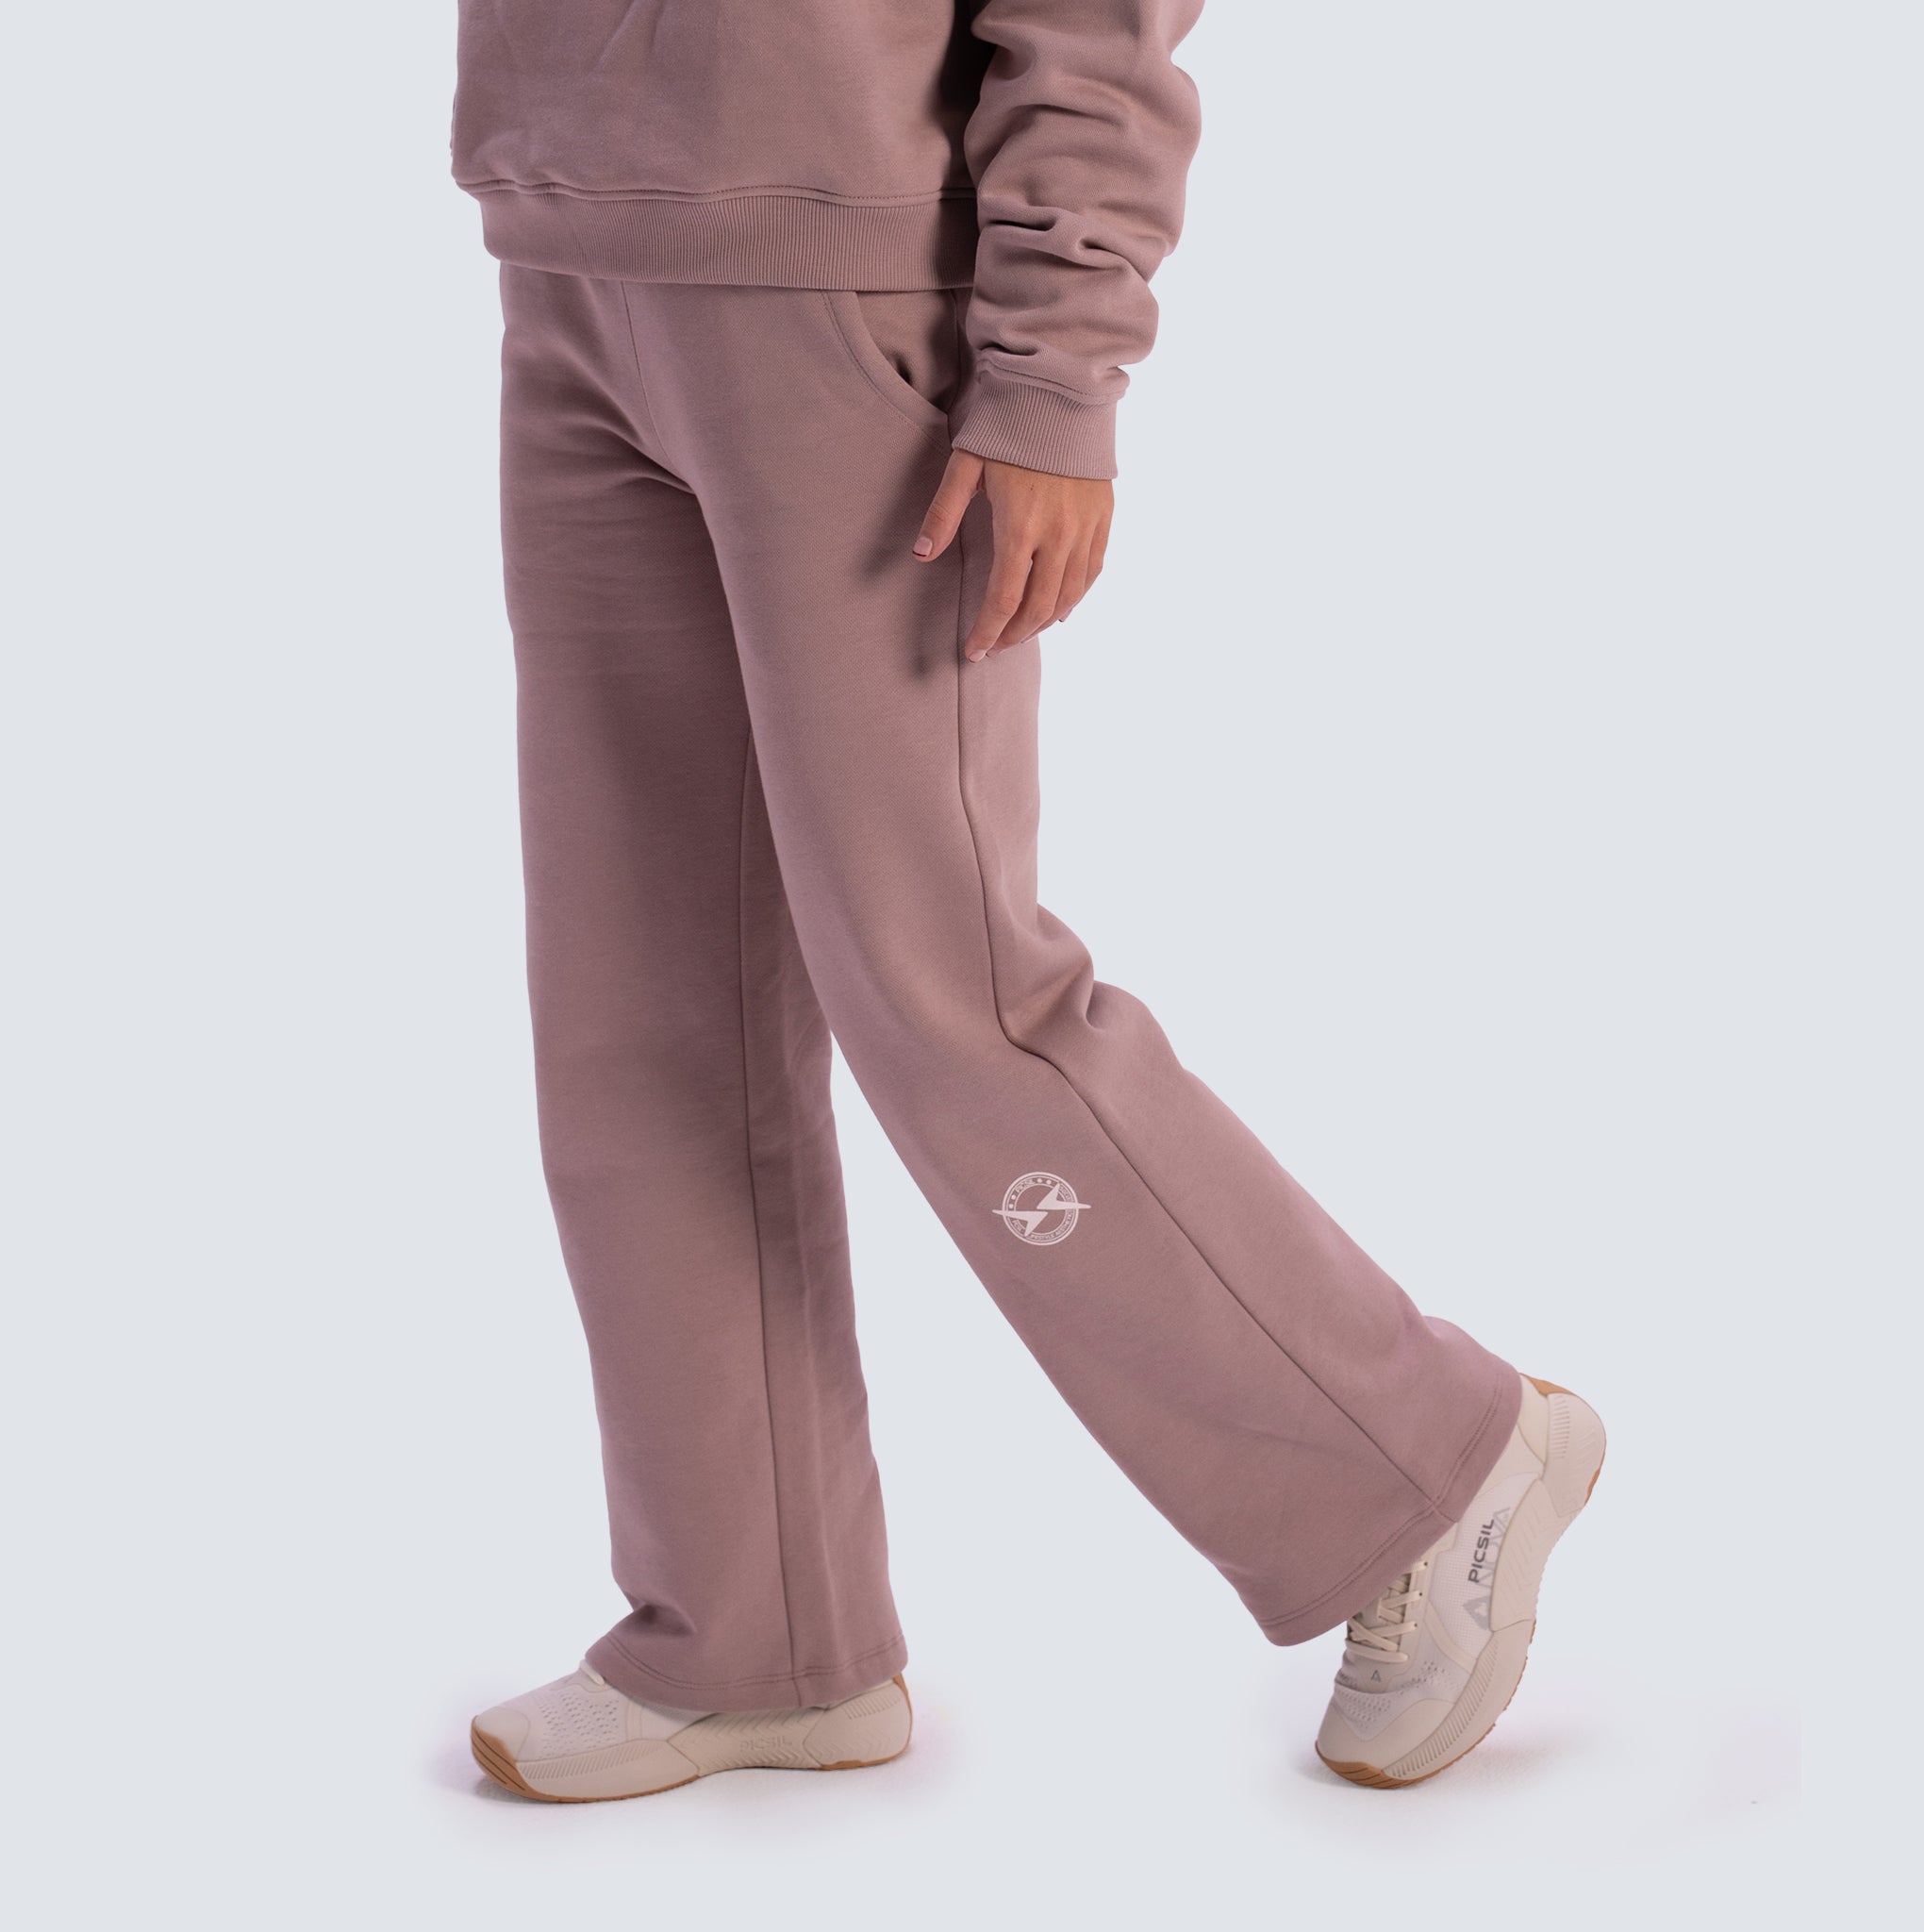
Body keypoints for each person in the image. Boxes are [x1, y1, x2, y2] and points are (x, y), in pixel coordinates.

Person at [452, 0, 1603, 1802]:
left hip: (855, 288)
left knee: (951, 1001)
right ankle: (754, 1638)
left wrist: (1057, 361)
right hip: (570, 256)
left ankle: (1423, 1466)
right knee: (640, 1014)